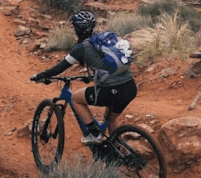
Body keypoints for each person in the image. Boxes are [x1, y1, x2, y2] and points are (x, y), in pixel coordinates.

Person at [30, 11, 137, 144]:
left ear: (76, 29)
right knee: (111, 120)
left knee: (75, 98)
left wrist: (40, 76)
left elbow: (59, 68)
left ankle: (94, 134)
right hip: (130, 87)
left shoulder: (81, 48)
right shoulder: (102, 40)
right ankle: (118, 151)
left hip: (112, 90)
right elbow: (106, 65)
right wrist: (93, 76)